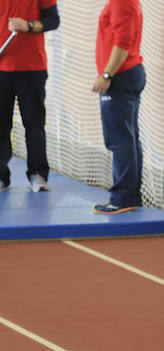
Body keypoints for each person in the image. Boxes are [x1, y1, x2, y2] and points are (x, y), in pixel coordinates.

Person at [0, 0, 60, 192]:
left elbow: (53, 20)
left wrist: (28, 25)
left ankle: (38, 175)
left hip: (32, 68)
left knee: (34, 125)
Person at [92, 0, 145, 214]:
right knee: (128, 137)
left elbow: (123, 42)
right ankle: (129, 196)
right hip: (128, 74)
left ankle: (123, 198)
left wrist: (107, 74)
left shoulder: (121, 1)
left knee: (120, 139)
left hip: (120, 77)